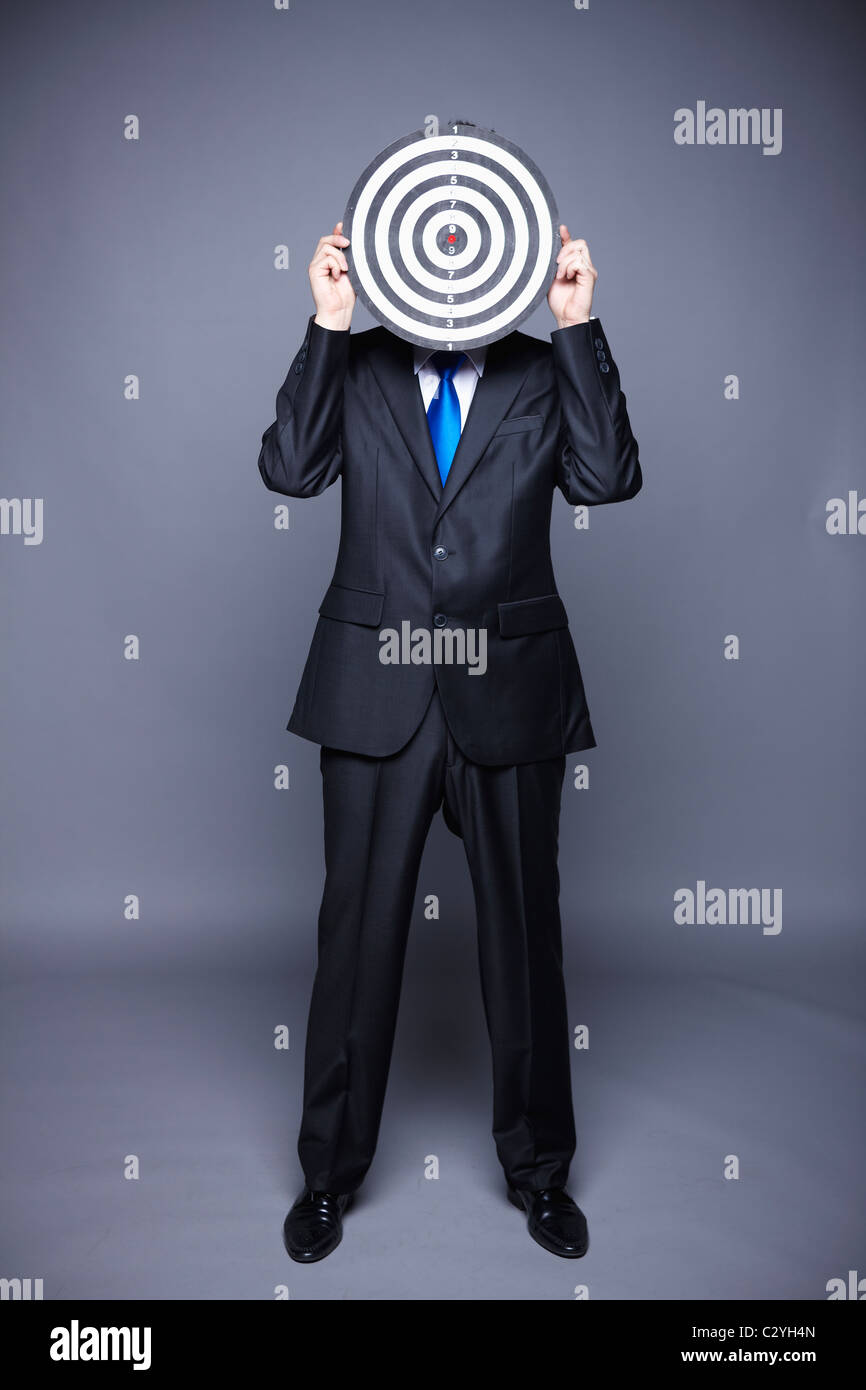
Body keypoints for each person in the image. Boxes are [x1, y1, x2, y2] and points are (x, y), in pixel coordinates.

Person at [257, 199, 642, 1263]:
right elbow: (289, 470)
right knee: (356, 941)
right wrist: (326, 322)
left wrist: (576, 326)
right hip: (373, 694)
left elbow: (606, 478)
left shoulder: (536, 369)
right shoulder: (359, 362)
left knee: (524, 938)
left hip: (507, 690)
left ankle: (539, 1173)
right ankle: (326, 1176)